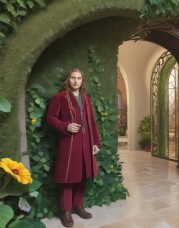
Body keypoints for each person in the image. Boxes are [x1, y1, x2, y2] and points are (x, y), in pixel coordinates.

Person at [46, 68, 100, 227]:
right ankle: (66, 211)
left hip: (87, 143)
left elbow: (92, 123)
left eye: (79, 78)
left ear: (82, 81)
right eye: (73, 78)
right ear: (67, 80)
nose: (76, 81)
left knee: (82, 175)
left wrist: (96, 143)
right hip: (69, 144)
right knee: (67, 178)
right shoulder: (59, 98)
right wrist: (65, 126)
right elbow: (50, 118)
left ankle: (78, 206)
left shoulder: (87, 99)